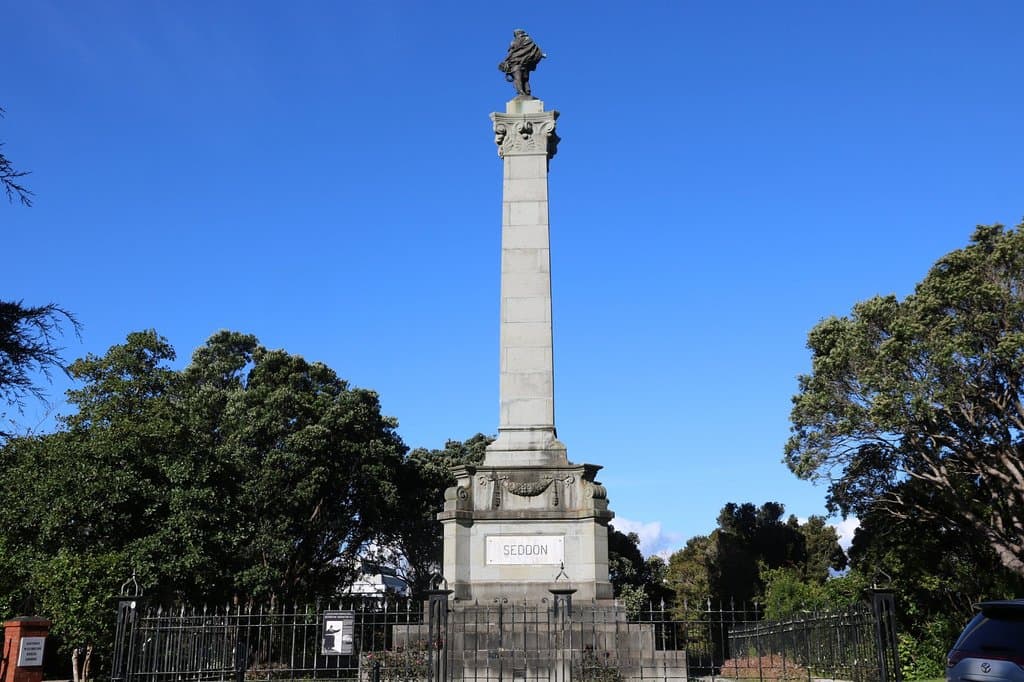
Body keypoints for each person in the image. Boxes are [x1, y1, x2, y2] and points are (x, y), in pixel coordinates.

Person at [498, 29, 545, 97]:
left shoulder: (514, 42)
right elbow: (536, 50)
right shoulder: (529, 41)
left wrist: (506, 61)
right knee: (524, 79)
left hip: (515, 63)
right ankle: (527, 91)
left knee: (518, 78)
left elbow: (511, 53)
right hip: (524, 63)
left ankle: (521, 92)